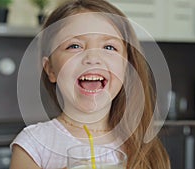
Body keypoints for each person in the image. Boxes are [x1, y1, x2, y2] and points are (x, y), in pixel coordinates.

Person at [10, 0, 170, 168]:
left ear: (127, 68)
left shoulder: (144, 147)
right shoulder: (33, 145)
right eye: (74, 46)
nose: (93, 58)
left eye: (109, 47)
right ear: (51, 70)